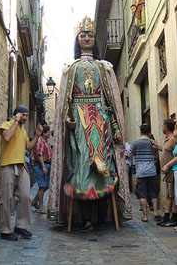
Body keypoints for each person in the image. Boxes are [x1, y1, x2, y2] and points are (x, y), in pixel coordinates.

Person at [47, 16, 132, 227]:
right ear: (78, 39)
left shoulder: (104, 68)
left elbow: (111, 101)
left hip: (101, 124)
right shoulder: (71, 68)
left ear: (95, 39)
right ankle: (84, 218)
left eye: (90, 34)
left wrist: (115, 127)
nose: (87, 37)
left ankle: (102, 217)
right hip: (79, 126)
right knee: (82, 166)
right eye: (83, 35)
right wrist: (68, 119)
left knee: (103, 168)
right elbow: (66, 100)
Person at [0, 105, 43, 241]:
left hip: (21, 167)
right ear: (17, 114)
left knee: (26, 196)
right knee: (5, 198)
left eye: (27, 115)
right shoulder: (7, 125)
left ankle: (21, 226)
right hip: (7, 166)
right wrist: (16, 122)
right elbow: (6, 137)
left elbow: (28, 147)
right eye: (24, 115)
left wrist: (36, 136)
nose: (26, 118)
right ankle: (5, 230)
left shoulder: (23, 132)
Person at [129, 124, 160, 222]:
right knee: (153, 193)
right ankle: (155, 212)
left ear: (140, 131)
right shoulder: (153, 142)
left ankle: (145, 216)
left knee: (142, 194)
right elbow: (156, 157)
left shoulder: (135, 143)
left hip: (141, 172)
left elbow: (129, 155)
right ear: (149, 132)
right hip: (152, 171)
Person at [152, 119, 177, 227]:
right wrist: (158, 147)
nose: (161, 127)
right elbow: (166, 150)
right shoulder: (167, 139)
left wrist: (169, 165)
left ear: (166, 127)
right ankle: (167, 215)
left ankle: (174, 217)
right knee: (168, 194)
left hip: (172, 170)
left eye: (163, 125)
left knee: (173, 194)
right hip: (167, 171)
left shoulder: (173, 139)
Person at [31, 125, 53, 214]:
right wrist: (43, 166)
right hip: (41, 165)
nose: (50, 133)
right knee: (42, 186)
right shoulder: (40, 141)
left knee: (46, 186)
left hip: (46, 164)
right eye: (48, 132)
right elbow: (39, 155)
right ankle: (40, 207)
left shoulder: (45, 141)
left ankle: (34, 201)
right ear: (43, 133)